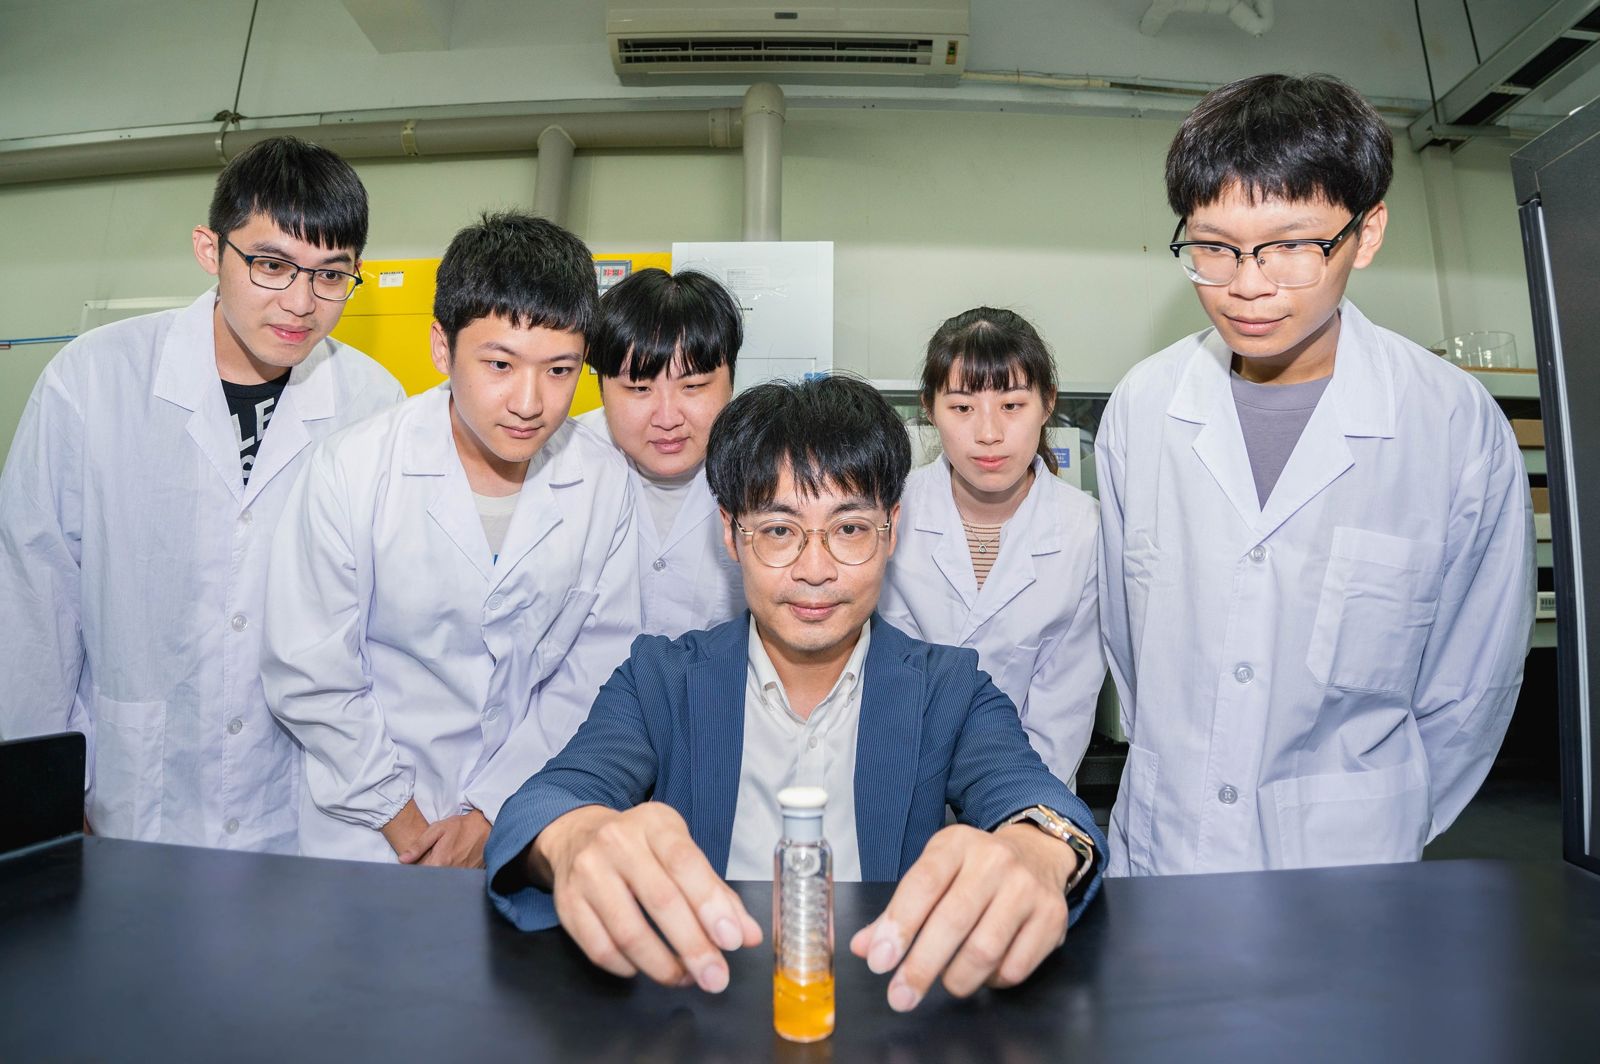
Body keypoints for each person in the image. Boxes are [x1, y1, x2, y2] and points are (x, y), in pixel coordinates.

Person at [484, 374, 1106, 1012]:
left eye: (850, 529)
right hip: (698, 1009)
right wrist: (576, 839)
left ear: (891, 529)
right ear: (731, 534)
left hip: (885, 1008)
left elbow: (1035, 798)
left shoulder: (947, 688)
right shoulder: (665, 681)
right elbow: (547, 800)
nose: (815, 570)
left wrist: (1034, 853)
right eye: (779, 531)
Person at [1097, 73, 1534, 876]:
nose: (1247, 284)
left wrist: (1378, 812)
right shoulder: (1144, 407)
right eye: (1214, 247)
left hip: (1351, 865)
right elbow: (1128, 647)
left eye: (1292, 246)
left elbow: (1472, 683)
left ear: (1366, 234)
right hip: (1165, 852)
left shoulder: (1450, 423)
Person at [0, 137, 403, 851]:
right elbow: (34, 605)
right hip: (128, 794)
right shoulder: (93, 379)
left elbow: (386, 627)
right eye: (272, 265)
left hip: (303, 808)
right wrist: (40, 795)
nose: (301, 303)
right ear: (210, 249)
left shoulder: (374, 403)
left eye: (331, 275)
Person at [261, 211, 640, 866]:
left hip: (517, 816)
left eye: (559, 370)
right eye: (500, 364)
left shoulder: (602, 481)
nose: (530, 402)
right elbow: (310, 671)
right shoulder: (352, 469)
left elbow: (592, 671)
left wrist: (492, 812)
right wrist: (404, 823)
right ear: (443, 347)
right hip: (365, 831)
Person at [881, 308, 1103, 786]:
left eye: (1012, 405)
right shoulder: (887, 514)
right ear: (929, 409)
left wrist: (1012, 811)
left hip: (1027, 792)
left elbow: (1063, 712)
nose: (988, 433)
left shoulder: (1086, 531)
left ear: (1048, 404)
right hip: (896, 784)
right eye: (962, 408)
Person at [576, 268, 745, 637]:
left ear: (731, 382)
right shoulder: (561, 464)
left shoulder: (767, 470)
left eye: (693, 386)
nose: (668, 419)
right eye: (639, 389)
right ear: (602, 388)